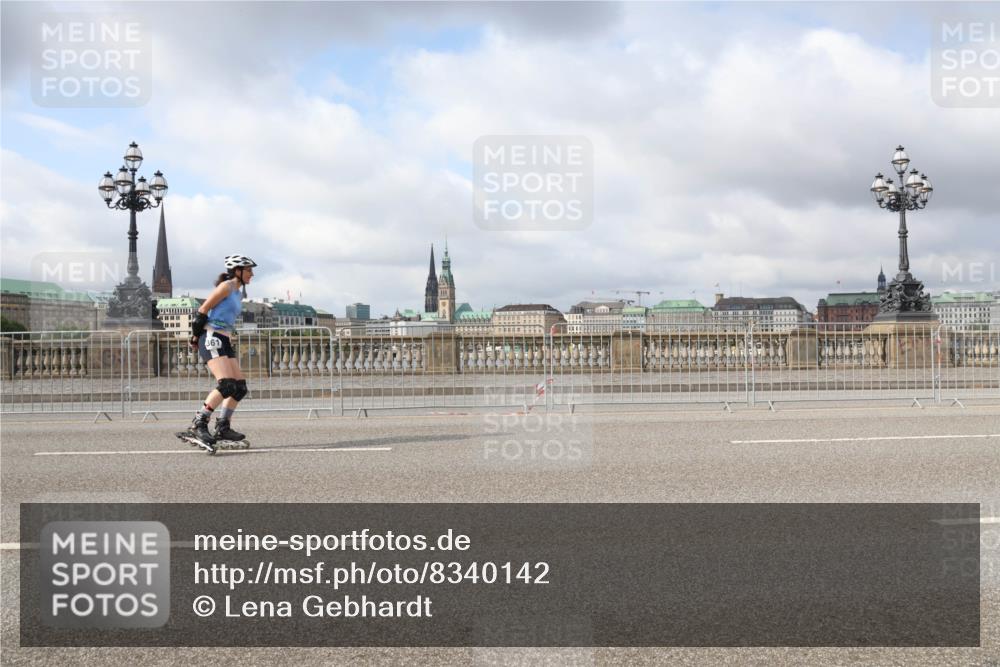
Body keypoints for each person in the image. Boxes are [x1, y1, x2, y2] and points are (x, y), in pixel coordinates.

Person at [185, 254, 257, 452]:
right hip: (211, 336)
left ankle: (223, 427)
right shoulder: (226, 287)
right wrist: (194, 337)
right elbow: (203, 310)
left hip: (223, 338)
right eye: (249, 270)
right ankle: (198, 424)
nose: (252, 274)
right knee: (226, 385)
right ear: (237, 271)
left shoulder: (239, 293)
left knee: (239, 387)